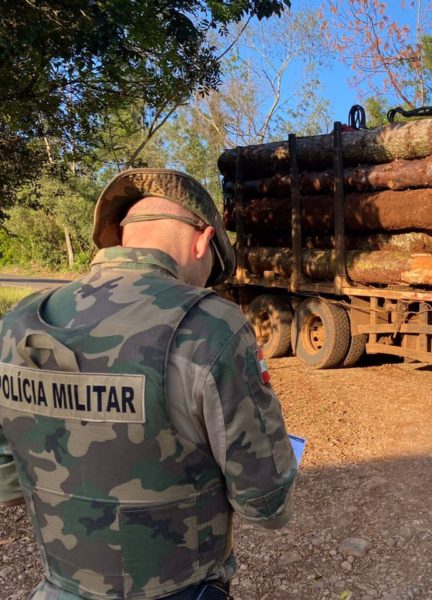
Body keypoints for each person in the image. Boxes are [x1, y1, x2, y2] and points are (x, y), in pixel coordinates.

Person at [0, 169, 297, 600]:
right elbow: (266, 504)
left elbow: (7, 485)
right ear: (202, 241)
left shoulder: (16, 325)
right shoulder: (210, 326)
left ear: (121, 236)